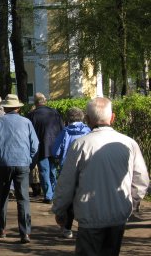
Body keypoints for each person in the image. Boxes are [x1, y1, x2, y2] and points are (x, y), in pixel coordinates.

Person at [52, 97, 149, 255]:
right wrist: (130, 203)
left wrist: (59, 209)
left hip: (89, 216)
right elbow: (141, 181)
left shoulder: (81, 144)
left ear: (88, 119)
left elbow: (66, 182)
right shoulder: (129, 143)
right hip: (118, 215)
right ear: (113, 117)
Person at [0, 94, 39, 244]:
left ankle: (1, 228)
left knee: (2, 197)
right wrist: (29, 162)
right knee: (23, 198)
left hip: (3, 164)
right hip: (22, 164)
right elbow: (35, 146)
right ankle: (25, 233)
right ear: (18, 107)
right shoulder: (27, 122)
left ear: (5, 108)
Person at [51, 107, 91, 239]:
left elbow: (56, 151)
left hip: (68, 169)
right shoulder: (88, 131)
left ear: (68, 118)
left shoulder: (65, 132)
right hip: (86, 169)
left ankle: (67, 228)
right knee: (85, 197)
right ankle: (85, 227)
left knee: (68, 199)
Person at [27, 92, 64, 203]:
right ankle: (54, 193)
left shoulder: (32, 115)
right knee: (53, 171)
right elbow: (62, 130)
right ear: (45, 101)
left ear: (36, 103)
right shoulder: (55, 113)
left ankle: (48, 195)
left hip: (41, 147)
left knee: (44, 171)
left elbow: (29, 134)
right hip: (54, 146)